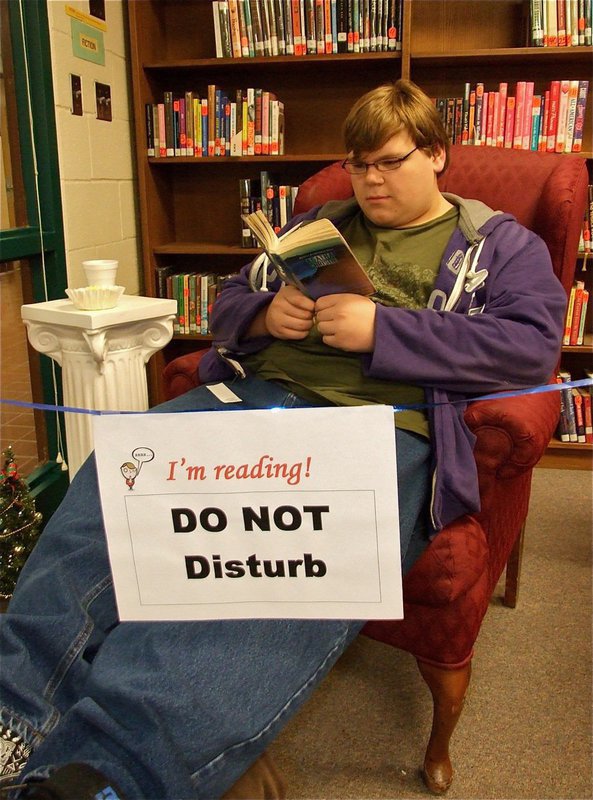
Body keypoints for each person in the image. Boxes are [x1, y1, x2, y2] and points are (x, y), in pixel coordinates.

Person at [0, 79, 566, 799]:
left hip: (381, 426)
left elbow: (528, 346)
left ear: (436, 155)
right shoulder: (321, 222)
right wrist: (267, 317)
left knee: (278, 561)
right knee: (114, 485)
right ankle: (12, 713)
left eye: (389, 161)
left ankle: (112, 770)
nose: (369, 179)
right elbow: (233, 298)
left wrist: (383, 330)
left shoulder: (497, 244)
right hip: (253, 397)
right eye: (358, 163)